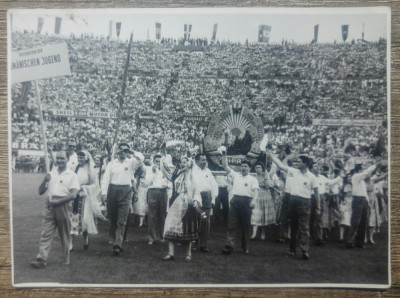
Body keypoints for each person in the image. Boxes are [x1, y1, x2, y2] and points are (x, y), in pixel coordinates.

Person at [266, 149, 319, 260]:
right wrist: (271, 155)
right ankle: (292, 250)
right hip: (293, 201)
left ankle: (305, 251)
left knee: (303, 228)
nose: (297, 163)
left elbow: (317, 194)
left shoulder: (312, 177)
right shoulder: (294, 171)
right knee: (293, 227)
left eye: (299, 162)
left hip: (305, 202)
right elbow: (280, 166)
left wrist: (317, 207)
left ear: (305, 164)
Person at [31, 151, 79, 268]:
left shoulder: (72, 175)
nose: (60, 161)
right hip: (50, 205)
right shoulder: (51, 173)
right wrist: (45, 180)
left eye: (62, 158)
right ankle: (42, 258)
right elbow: (40, 191)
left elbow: (73, 195)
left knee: (64, 233)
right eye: (58, 158)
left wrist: (58, 202)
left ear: (67, 159)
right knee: (46, 233)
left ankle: (66, 258)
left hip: (64, 205)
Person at [101, 143, 143, 256]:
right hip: (112, 190)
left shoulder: (131, 162)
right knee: (113, 217)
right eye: (121, 150)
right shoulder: (112, 163)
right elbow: (106, 178)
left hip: (125, 191)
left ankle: (117, 244)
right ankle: (114, 237)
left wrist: (131, 151)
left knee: (122, 219)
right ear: (118, 151)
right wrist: (104, 193)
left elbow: (141, 158)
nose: (123, 152)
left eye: (125, 150)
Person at [220, 150, 259, 255]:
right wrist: (224, 155)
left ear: (249, 168)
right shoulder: (236, 175)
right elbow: (225, 166)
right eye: (242, 166)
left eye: (246, 166)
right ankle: (229, 246)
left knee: (246, 226)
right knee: (231, 225)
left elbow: (256, 192)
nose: (243, 168)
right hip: (235, 202)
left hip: (246, 203)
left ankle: (245, 247)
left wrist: (254, 201)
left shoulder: (253, 179)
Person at [163, 157, 199, 261]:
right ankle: (171, 253)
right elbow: (167, 174)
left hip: (187, 202)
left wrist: (195, 201)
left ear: (189, 164)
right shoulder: (177, 174)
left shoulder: (193, 176)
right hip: (175, 201)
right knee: (171, 224)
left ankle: (188, 253)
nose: (182, 164)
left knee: (187, 226)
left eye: (184, 162)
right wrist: (163, 160)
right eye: (181, 162)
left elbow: (197, 190)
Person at [70, 150, 106, 250]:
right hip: (75, 196)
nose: (80, 159)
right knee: (73, 218)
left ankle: (85, 238)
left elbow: (95, 185)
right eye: (78, 157)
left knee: (84, 220)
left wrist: (84, 187)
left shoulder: (90, 170)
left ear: (86, 158)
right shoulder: (75, 168)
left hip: (85, 197)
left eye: (82, 157)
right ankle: (71, 242)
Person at [346, 160, 384, 249]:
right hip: (357, 200)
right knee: (355, 221)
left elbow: (364, 192)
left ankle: (360, 242)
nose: (363, 171)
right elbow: (366, 173)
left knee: (364, 221)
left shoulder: (362, 181)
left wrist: (367, 201)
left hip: (363, 200)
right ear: (358, 170)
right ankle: (350, 241)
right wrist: (375, 165)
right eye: (362, 169)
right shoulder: (356, 176)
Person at [192, 153, 218, 252]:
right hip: (197, 196)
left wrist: (213, 199)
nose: (204, 162)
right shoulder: (193, 171)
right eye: (202, 160)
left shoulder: (208, 171)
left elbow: (214, 186)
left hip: (207, 197)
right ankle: (194, 243)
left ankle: (203, 245)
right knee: (196, 220)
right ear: (197, 161)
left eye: (205, 160)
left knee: (205, 221)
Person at [146, 154, 169, 245]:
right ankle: (151, 238)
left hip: (163, 192)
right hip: (152, 191)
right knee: (152, 216)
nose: (158, 163)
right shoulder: (150, 169)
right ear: (154, 161)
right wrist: (153, 172)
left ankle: (161, 236)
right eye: (157, 161)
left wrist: (167, 185)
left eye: (160, 162)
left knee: (162, 215)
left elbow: (170, 181)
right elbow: (147, 182)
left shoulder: (165, 169)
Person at [250, 162, 276, 240]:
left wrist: (266, 177)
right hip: (256, 195)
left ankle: (263, 233)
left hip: (265, 195)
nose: (258, 169)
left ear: (262, 168)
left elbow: (267, 187)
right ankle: (254, 233)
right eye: (256, 168)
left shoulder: (266, 175)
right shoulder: (253, 176)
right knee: (255, 213)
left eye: (259, 167)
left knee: (265, 213)